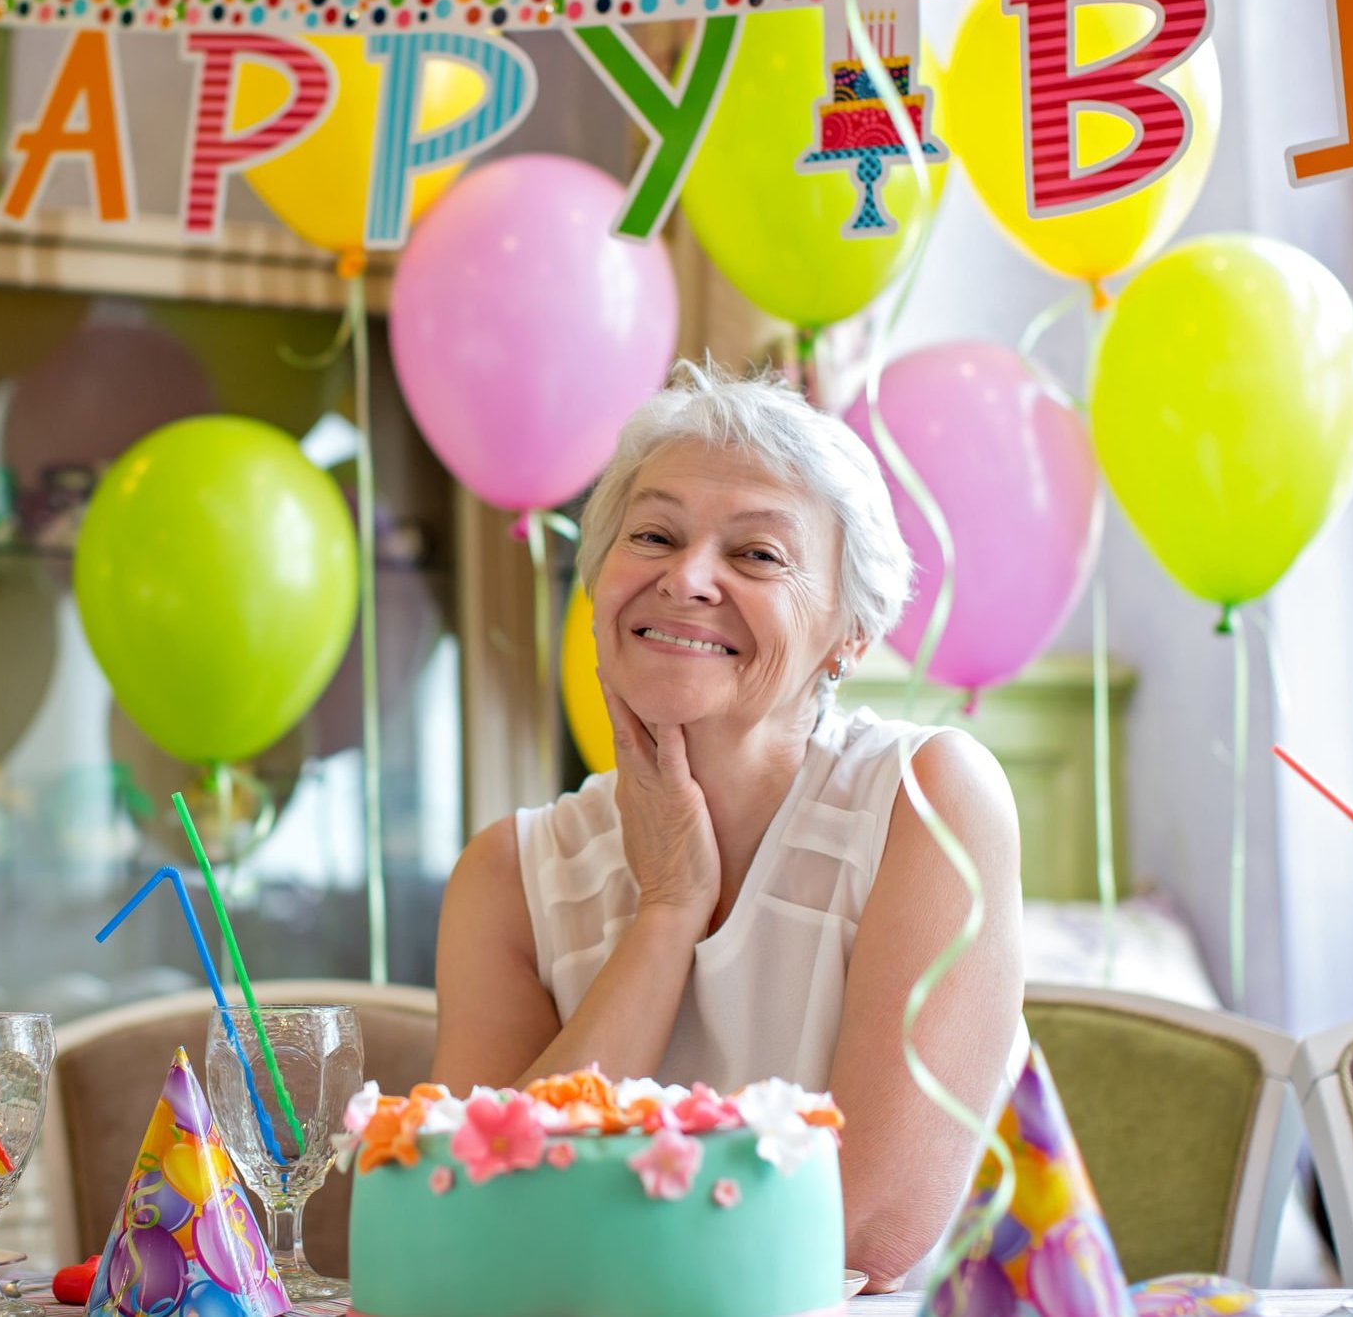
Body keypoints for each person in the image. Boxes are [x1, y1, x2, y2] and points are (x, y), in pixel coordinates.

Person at [432, 360, 1024, 1288]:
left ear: (849, 633)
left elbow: (869, 1234)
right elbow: (475, 1226)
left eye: (757, 555)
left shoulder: (932, 799)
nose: (688, 578)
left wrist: (573, 1247)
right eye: (655, 535)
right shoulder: (509, 872)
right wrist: (668, 912)